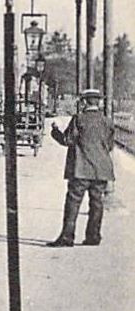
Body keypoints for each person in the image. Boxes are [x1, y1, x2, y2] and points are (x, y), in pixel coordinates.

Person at [48, 90, 115, 248]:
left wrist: (55, 131)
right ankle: (93, 236)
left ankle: (67, 237)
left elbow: (67, 140)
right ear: (98, 103)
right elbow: (110, 146)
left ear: (84, 102)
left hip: (81, 169)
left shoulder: (79, 119)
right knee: (97, 203)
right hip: (101, 170)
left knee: (73, 202)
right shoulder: (107, 121)